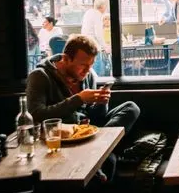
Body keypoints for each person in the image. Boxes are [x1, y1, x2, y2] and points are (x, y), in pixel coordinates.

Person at [26, 34, 141, 181]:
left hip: (88, 132)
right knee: (110, 160)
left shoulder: (88, 75)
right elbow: (35, 114)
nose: (87, 70)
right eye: (83, 65)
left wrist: (101, 102)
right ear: (66, 59)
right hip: (62, 136)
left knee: (131, 108)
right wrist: (79, 99)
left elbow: (95, 117)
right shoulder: (40, 76)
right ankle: (101, 154)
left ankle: (98, 151)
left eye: (91, 65)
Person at [81, 0, 109, 76]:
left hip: (85, 44)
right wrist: (105, 47)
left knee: (90, 71)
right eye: (106, 6)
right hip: (93, 46)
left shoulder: (88, 12)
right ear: (103, 6)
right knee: (98, 73)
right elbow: (98, 34)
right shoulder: (98, 14)